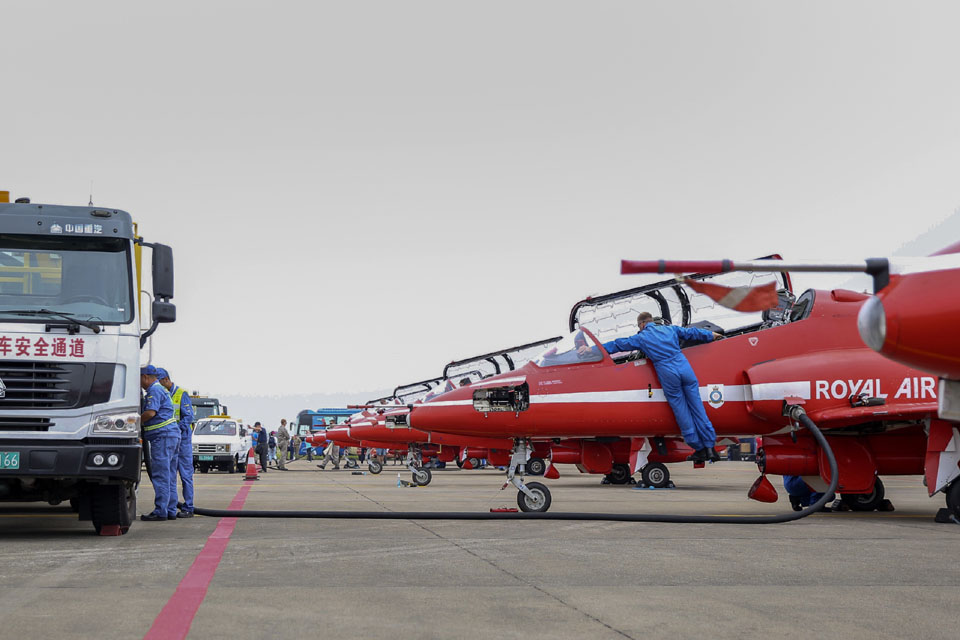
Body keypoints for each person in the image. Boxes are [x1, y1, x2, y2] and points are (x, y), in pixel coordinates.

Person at [589, 312, 722, 463]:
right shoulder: (670, 329)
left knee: (681, 410)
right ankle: (710, 448)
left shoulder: (642, 337)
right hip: (685, 368)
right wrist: (711, 335)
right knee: (697, 408)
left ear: (642, 324)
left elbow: (618, 344)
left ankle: (698, 448)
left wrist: (593, 350)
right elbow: (691, 332)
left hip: (667, 372)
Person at [139, 365, 180, 521]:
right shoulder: (161, 389)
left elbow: (150, 412)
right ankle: (170, 509)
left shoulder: (154, 390)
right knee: (169, 475)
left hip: (162, 437)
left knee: (161, 475)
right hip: (171, 436)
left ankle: (161, 511)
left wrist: (134, 421)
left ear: (145, 377)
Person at [157, 368, 195, 517]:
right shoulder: (162, 394)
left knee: (185, 475)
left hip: (182, 440)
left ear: (166, 379)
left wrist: (175, 430)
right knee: (170, 474)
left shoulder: (181, 394)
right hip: (170, 439)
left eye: (159, 382)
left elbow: (188, 417)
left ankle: (188, 507)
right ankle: (170, 507)